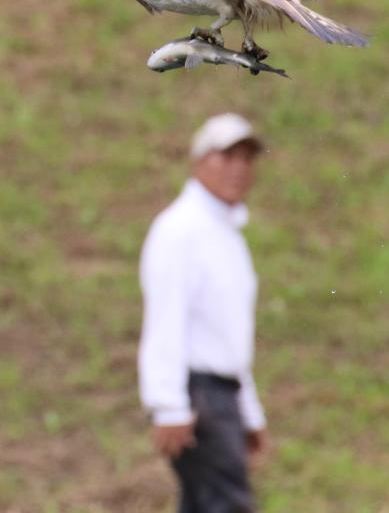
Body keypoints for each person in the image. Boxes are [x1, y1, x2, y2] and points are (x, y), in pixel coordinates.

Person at [138, 113, 268, 513]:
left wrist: (248, 410)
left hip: (221, 397)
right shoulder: (181, 230)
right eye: (226, 156)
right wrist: (169, 405)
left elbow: (227, 334)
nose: (239, 169)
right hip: (199, 397)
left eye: (247, 159)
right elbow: (166, 318)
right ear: (199, 161)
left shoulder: (225, 236)